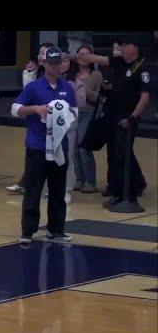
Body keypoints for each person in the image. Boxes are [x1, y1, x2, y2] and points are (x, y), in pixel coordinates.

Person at [11, 46, 77, 244]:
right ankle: (28, 230)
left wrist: (62, 115)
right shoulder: (33, 87)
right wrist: (36, 109)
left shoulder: (67, 88)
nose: (55, 67)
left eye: (58, 63)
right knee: (33, 189)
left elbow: (74, 114)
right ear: (44, 63)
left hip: (59, 148)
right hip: (37, 146)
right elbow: (15, 109)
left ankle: (56, 229)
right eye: (51, 63)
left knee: (57, 191)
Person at [78, 35, 151, 208]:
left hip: (127, 118)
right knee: (114, 154)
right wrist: (85, 57)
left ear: (135, 48)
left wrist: (132, 117)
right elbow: (102, 59)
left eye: (126, 45)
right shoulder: (118, 62)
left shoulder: (142, 68)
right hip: (112, 117)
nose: (122, 48)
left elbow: (145, 97)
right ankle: (120, 189)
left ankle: (126, 193)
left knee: (122, 155)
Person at [7, 42, 55, 194]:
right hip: (35, 121)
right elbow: (26, 95)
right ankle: (27, 183)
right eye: (39, 53)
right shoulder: (35, 73)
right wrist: (28, 73)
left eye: (44, 53)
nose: (41, 56)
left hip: (53, 122)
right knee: (33, 152)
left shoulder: (56, 77)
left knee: (52, 155)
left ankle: (52, 187)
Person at [68, 45, 103, 193]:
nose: (83, 57)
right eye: (80, 54)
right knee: (73, 148)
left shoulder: (96, 75)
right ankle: (79, 179)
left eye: (87, 54)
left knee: (83, 147)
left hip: (88, 113)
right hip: (73, 113)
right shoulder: (71, 75)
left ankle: (90, 181)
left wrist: (84, 91)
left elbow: (100, 98)